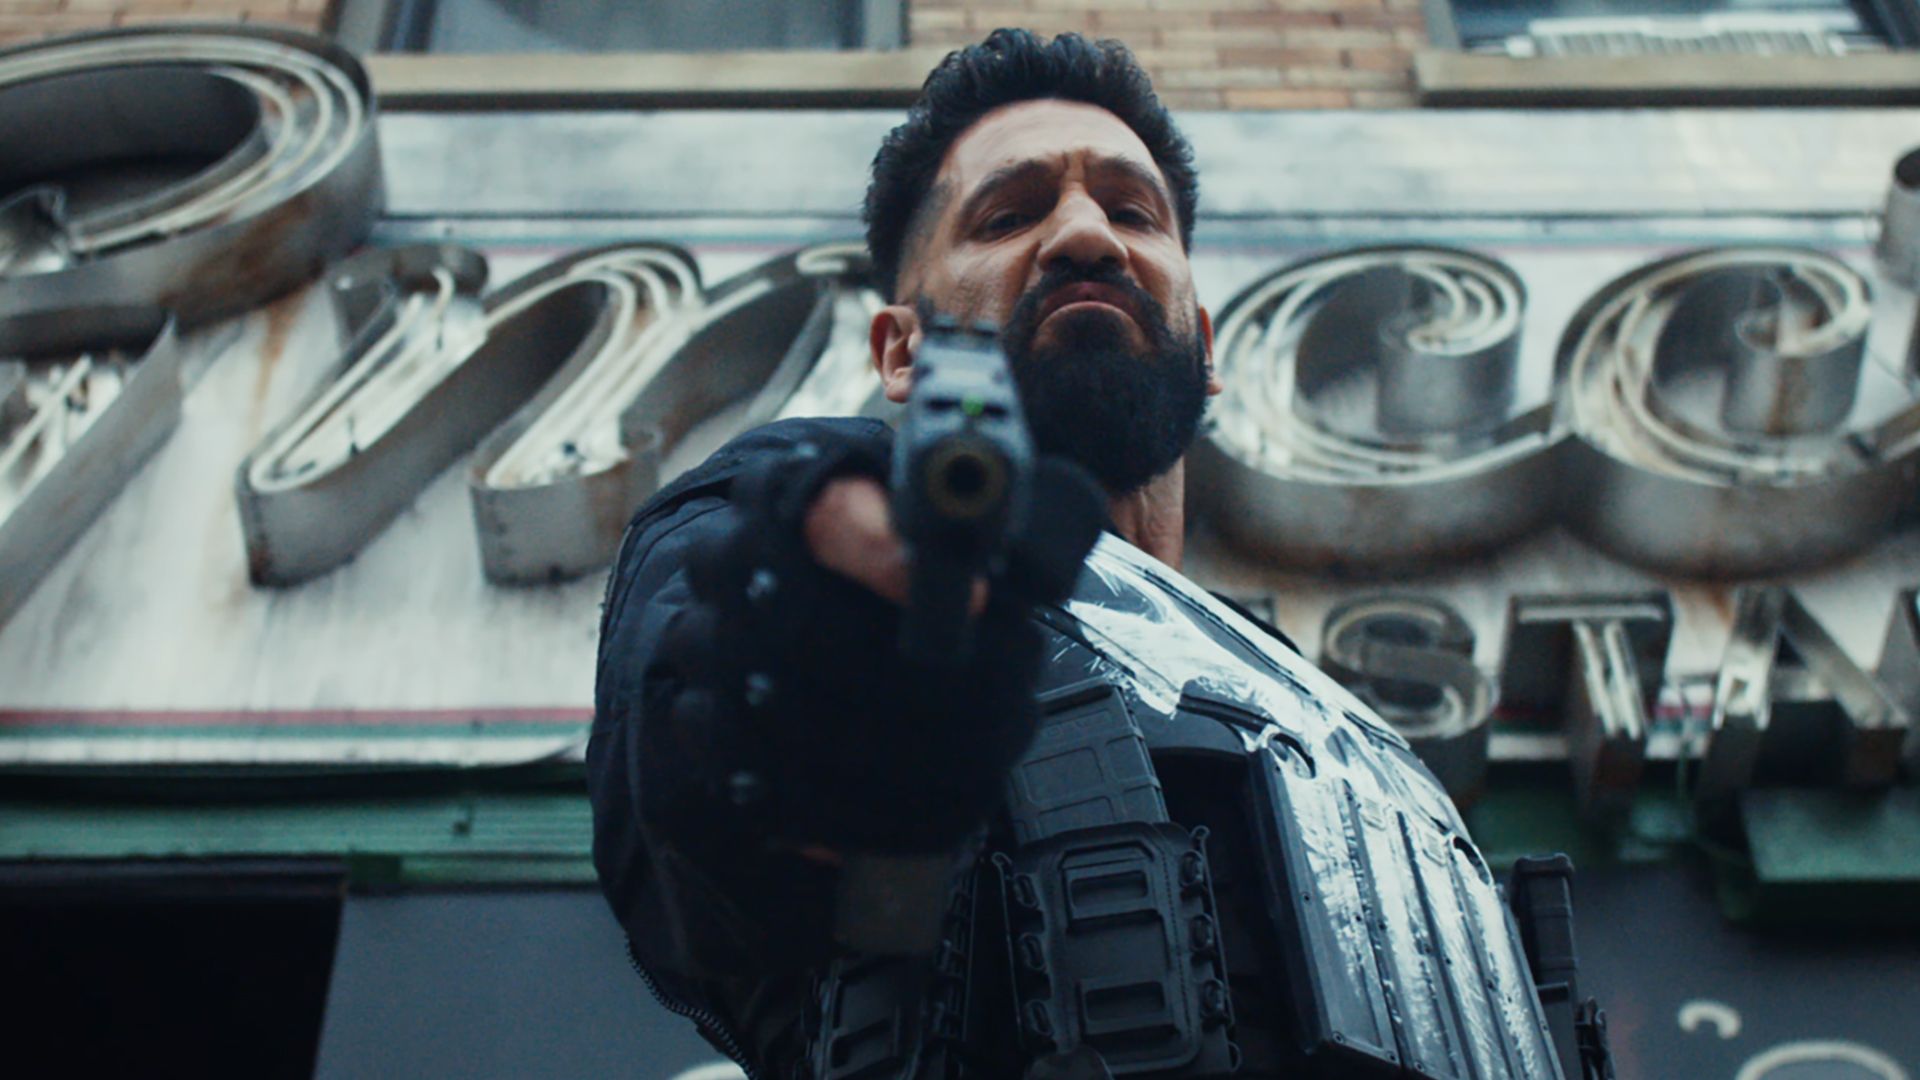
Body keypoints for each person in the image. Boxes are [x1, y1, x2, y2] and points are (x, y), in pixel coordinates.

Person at [590, 29, 1601, 1080]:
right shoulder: (801, 519)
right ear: (903, 350)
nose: (1085, 237)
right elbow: (711, 779)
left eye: (1131, 211)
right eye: (1008, 216)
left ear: (1206, 344)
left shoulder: (1323, 719)